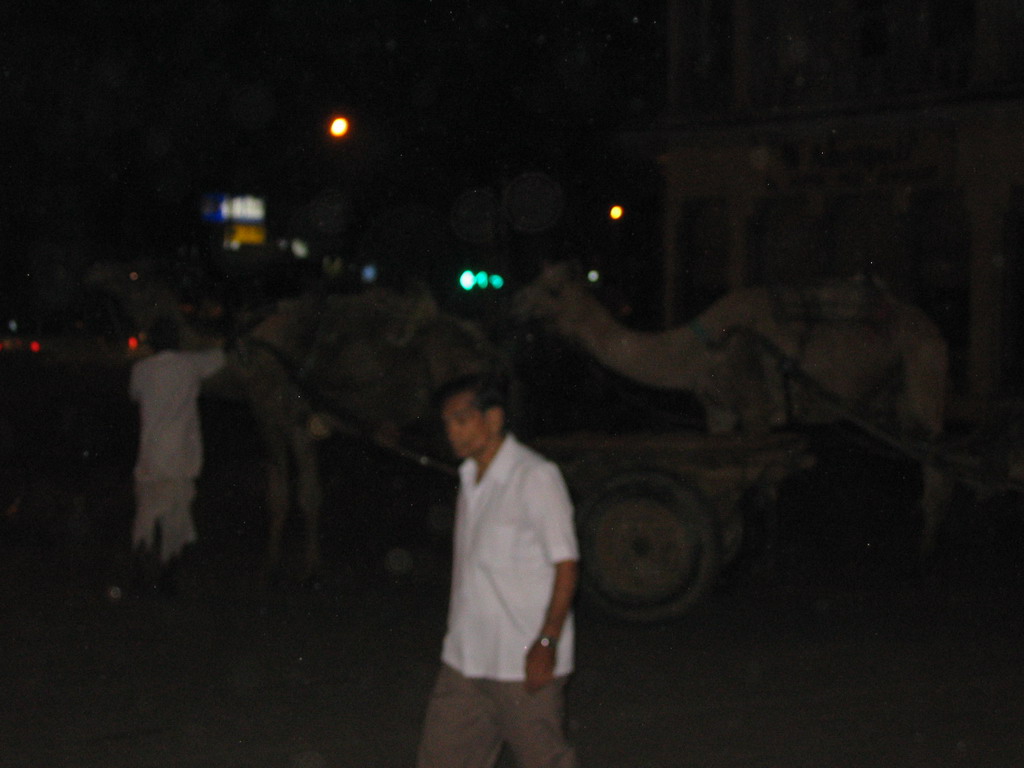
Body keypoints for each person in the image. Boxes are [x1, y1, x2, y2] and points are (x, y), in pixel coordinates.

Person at [417, 373, 580, 768]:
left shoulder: (534, 476)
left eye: (461, 420)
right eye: (447, 424)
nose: (452, 433)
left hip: (521, 663)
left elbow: (567, 565)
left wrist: (547, 643)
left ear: (493, 419)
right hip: (464, 661)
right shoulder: (470, 479)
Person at [129, 315, 225, 594]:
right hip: (181, 458)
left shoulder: (141, 370)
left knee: (145, 515)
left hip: (150, 458)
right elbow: (219, 357)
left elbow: (135, 395)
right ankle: (168, 575)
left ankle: (141, 570)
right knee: (175, 520)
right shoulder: (189, 366)